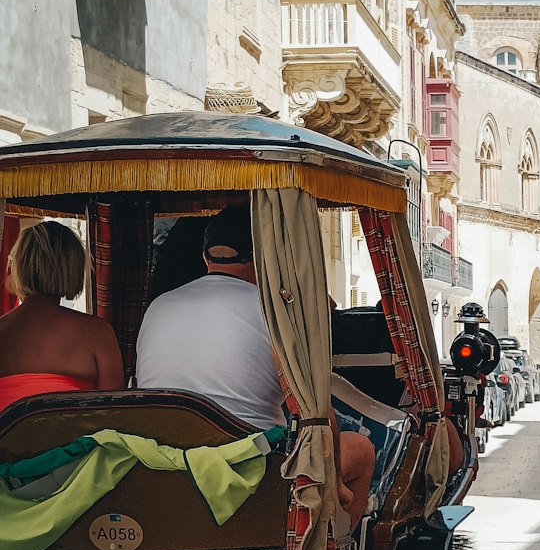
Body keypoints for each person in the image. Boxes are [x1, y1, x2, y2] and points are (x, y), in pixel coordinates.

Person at [136, 205, 373, 526]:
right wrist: (337, 486)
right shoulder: (276, 315)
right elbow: (314, 412)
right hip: (250, 467)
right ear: (264, 257)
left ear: (206, 257)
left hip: (164, 464)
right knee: (359, 448)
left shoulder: (158, 307)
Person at [0, 220, 124, 410]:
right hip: (75, 438)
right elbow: (114, 413)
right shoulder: (98, 333)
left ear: (18, 267)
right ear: (73, 269)